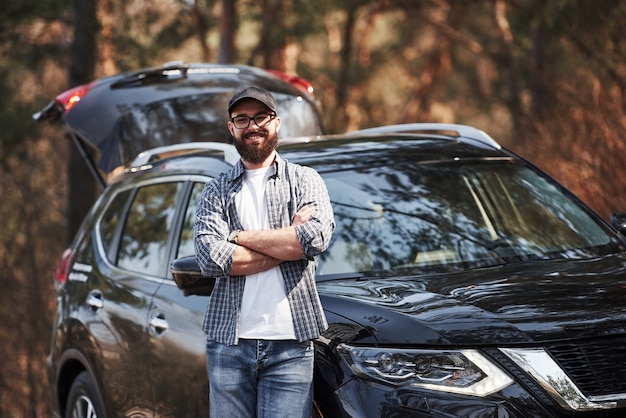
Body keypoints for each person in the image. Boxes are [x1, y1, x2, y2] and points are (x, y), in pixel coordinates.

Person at [194, 86, 335, 418]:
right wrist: (289, 244)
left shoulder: (304, 180)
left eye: (260, 116)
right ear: (231, 128)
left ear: (276, 122)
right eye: (241, 119)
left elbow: (315, 238)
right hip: (229, 344)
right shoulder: (216, 190)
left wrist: (237, 236)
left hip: (291, 345)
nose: (252, 125)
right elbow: (210, 257)